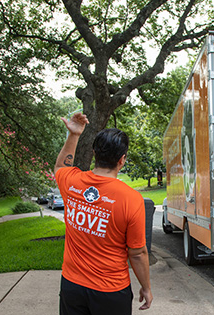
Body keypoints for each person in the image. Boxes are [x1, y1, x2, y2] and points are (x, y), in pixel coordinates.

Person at [54, 112, 153, 314]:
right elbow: (137, 253)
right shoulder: (131, 198)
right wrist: (146, 287)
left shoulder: (72, 183)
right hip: (111, 291)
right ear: (122, 159)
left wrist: (73, 135)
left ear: (94, 153)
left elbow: (59, 166)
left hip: (72, 286)